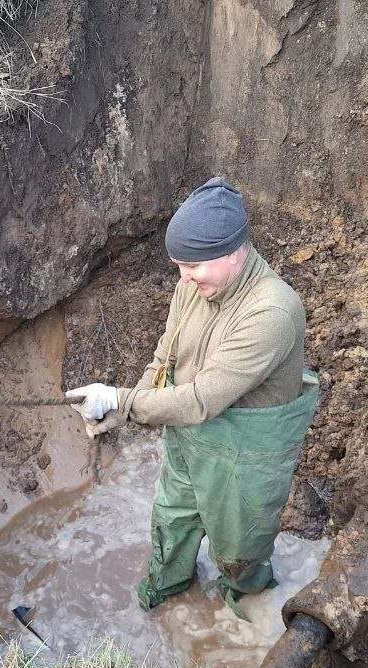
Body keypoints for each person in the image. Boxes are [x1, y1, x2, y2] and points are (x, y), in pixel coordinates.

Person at [66, 178, 318, 616]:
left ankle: (246, 618)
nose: (182, 278)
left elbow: (202, 398)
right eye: (179, 265)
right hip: (188, 441)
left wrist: (123, 402)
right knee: (172, 519)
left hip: (246, 457)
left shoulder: (272, 311)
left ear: (234, 251)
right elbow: (166, 357)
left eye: (193, 265)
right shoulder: (193, 288)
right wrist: (119, 407)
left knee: (239, 550)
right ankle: (165, 593)